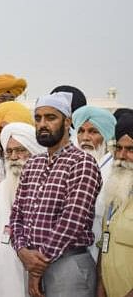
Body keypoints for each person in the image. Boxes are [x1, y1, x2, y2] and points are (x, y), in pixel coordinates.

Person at [10, 92, 101, 297]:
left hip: (68, 267)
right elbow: (16, 215)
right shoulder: (33, 164)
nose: (42, 124)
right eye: (38, 118)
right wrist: (22, 250)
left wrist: (38, 265)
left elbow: (72, 220)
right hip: (32, 263)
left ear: (67, 122)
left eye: (51, 118)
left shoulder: (82, 162)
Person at [0, 122, 45, 297]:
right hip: (5, 267)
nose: (13, 156)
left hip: (36, 266)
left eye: (20, 150)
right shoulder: (2, 188)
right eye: (9, 151)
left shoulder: (45, 186)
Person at [72, 105, 117, 261]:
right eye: (81, 131)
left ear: (106, 136)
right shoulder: (72, 167)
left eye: (93, 132)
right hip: (74, 256)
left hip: (105, 256)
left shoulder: (115, 171)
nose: (85, 138)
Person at [97, 114, 133, 297]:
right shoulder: (115, 192)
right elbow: (105, 243)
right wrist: (100, 286)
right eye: (118, 148)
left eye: (130, 149)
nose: (121, 156)